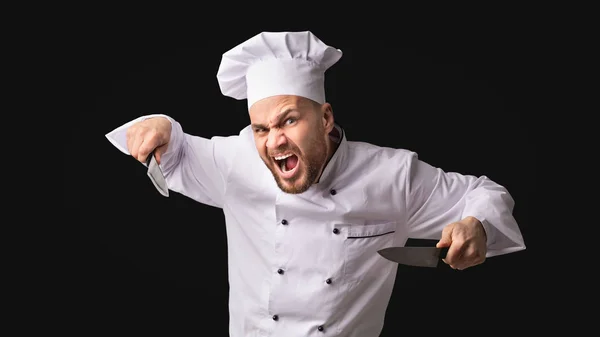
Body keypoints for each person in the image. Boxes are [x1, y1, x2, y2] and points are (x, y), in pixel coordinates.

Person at [105, 31, 526, 337]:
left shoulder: (392, 176)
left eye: (289, 120)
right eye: (260, 128)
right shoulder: (237, 162)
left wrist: (478, 225)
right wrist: (159, 124)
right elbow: (173, 149)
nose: (274, 141)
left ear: (325, 119)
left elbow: (485, 194)